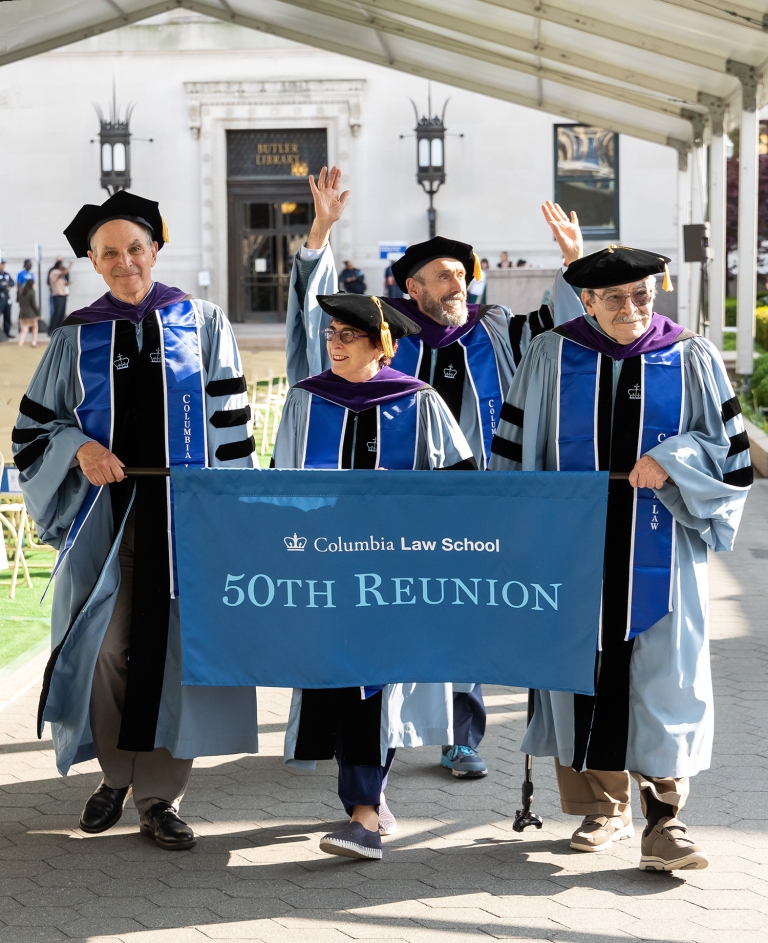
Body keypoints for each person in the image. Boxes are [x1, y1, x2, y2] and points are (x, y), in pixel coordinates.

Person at [489, 213, 753, 871]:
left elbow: (734, 454)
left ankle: (666, 818)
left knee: (664, 681)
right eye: (616, 297)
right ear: (588, 301)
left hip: (663, 550)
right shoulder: (553, 354)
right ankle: (603, 806)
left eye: (643, 293)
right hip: (570, 546)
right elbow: (513, 449)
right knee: (583, 675)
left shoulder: (688, 355)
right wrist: (515, 536)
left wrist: (677, 456)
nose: (633, 307)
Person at [285, 167, 551, 781]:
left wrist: (573, 268)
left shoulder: (494, 327)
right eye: (443, 276)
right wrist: (321, 232)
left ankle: (460, 736)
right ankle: (370, 736)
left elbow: (565, 340)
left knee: (463, 613)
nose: (457, 283)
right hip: (400, 507)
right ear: (414, 286)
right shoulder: (389, 332)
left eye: (462, 274)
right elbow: (316, 323)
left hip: (476, 496)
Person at [13, 190, 258, 851]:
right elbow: (34, 430)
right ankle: (114, 775)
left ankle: (159, 797)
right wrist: (80, 447)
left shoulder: (202, 322)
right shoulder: (76, 336)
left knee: (174, 654)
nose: (126, 261)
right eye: (110, 253)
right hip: (107, 518)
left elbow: (234, 427)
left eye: (136, 248)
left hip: (187, 518)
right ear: (94, 262)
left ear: (156, 248)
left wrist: (230, 510)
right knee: (108, 649)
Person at [274, 292, 475, 861]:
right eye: (330, 334)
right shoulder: (306, 402)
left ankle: (361, 813)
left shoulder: (419, 402)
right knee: (338, 681)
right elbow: (281, 482)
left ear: (381, 346)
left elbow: (460, 483)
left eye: (346, 336)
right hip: (322, 567)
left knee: (374, 685)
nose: (333, 343)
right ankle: (370, 796)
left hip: (394, 571)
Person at [17, 259, 39, 347]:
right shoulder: (21, 274)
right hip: (24, 294)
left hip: (27, 295)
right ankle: (33, 342)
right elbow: (18, 284)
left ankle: (21, 343)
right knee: (33, 325)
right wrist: (20, 293)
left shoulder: (31, 274)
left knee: (25, 327)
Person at [48, 256, 72, 333]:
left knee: (61, 313)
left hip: (63, 295)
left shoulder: (61, 275)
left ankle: (59, 329)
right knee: (57, 313)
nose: (63, 268)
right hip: (57, 295)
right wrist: (70, 265)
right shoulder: (54, 271)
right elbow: (64, 273)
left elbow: (64, 282)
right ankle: (52, 329)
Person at [0, 260, 14, 339]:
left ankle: (7, 332)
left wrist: (6, 284)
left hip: (6, 297)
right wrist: (5, 286)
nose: (3, 265)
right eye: (2, 264)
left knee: (7, 315)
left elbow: (12, 283)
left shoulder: (6, 274)